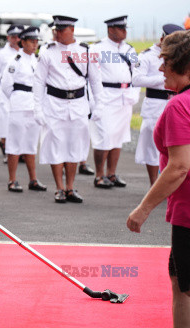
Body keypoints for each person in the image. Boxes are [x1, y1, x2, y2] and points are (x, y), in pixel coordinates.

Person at [127, 30, 190, 328]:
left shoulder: (180, 105)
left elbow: (179, 167)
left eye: (166, 61)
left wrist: (143, 209)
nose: (160, 68)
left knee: (184, 286)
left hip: (188, 212)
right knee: (179, 281)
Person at [34, 15, 104, 203]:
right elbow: (39, 82)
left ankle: (70, 187)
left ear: (72, 30)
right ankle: (59, 188)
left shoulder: (85, 51)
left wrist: (99, 105)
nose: (57, 33)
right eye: (55, 30)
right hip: (54, 103)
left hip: (78, 103)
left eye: (61, 30)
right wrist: (37, 108)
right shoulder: (47, 51)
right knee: (55, 145)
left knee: (75, 145)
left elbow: (95, 80)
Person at [89, 16, 140, 189]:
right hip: (106, 96)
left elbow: (136, 74)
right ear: (111, 29)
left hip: (124, 97)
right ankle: (99, 175)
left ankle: (111, 173)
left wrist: (135, 93)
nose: (124, 31)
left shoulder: (129, 49)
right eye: (121, 28)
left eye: (125, 28)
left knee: (118, 137)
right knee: (105, 137)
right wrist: (94, 102)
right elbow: (91, 77)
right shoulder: (97, 48)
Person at [133, 24, 184, 186]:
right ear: (162, 39)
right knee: (152, 146)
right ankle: (154, 184)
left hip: (175, 100)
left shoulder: (179, 55)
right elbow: (137, 80)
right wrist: (163, 81)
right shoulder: (147, 55)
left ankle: (171, 183)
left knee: (175, 145)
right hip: (155, 103)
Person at [1, 27, 47, 193]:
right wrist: (16, 99)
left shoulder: (38, 60)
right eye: (31, 41)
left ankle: (33, 179)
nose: (34, 44)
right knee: (14, 144)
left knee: (31, 144)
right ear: (23, 41)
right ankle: (12, 180)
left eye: (36, 41)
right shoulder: (16, 60)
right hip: (19, 105)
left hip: (34, 105)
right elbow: (6, 85)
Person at [0, 24, 23, 163]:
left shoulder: (24, 51)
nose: (16, 39)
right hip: (6, 91)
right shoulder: (2, 53)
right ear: (8, 37)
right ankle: (5, 147)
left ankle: (19, 150)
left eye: (18, 36)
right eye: (13, 37)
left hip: (22, 92)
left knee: (19, 121)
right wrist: (2, 85)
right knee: (5, 121)